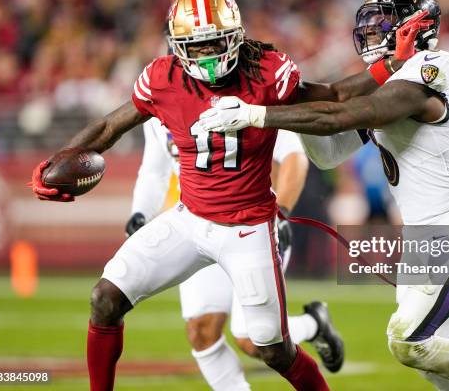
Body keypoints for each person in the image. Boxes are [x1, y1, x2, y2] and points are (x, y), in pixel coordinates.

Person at [29, 0, 417, 389]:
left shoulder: (268, 71)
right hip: (189, 219)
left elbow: (333, 95)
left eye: (216, 43)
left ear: (236, 37)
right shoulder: (163, 79)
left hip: (247, 229)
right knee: (105, 299)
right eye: (196, 47)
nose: (208, 56)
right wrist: (57, 159)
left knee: (272, 349)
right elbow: (111, 126)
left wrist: (390, 66)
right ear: (176, 46)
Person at [198, 0, 449, 390]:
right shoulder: (391, 81)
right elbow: (328, 151)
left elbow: (349, 112)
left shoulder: (434, 66)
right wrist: (283, 95)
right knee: (430, 356)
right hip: (425, 236)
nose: (371, 32)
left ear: (414, 26)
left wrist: (261, 114)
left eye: (383, 23)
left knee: (408, 340)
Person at [126, 117, 345, 389]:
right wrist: (140, 212)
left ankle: (313, 324)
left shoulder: (246, 91)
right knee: (201, 331)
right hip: (196, 226)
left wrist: (283, 211)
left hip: (251, 226)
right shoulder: (159, 94)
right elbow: (154, 169)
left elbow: (293, 156)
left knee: (254, 340)